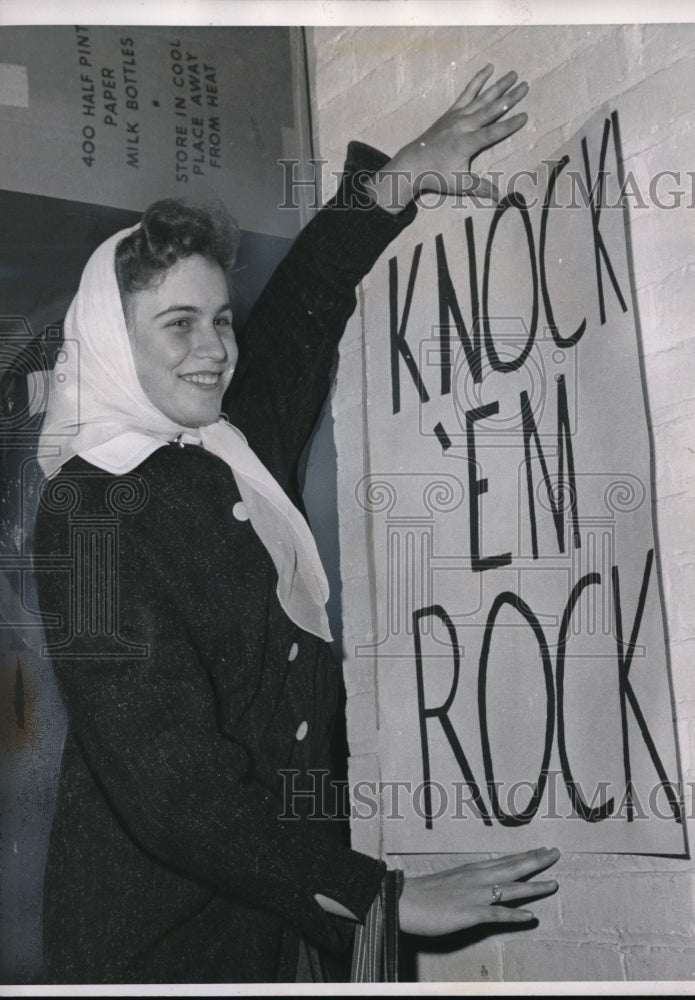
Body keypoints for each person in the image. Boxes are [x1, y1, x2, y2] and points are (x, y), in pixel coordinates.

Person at [33, 65, 560, 984]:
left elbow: (301, 313)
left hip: (273, 928)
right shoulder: (86, 510)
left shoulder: (227, 450)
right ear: (113, 342)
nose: (216, 349)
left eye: (221, 319)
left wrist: (407, 171)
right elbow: (168, 783)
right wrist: (373, 899)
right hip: (160, 944)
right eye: (179, 324)